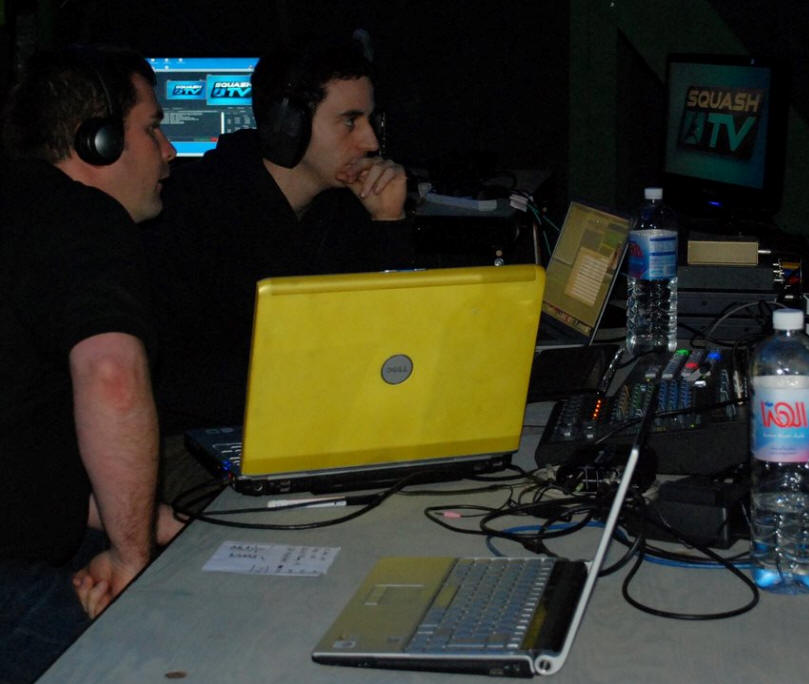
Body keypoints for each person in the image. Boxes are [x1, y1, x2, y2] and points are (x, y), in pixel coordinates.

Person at [0, 45, 180, 682]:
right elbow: (111, 375)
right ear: (96, 142)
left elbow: (22, 446)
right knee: (183, 645)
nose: (169, 152)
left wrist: (140, 518)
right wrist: (133, 559)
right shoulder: (83, 217)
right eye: (152, 129)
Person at [142, 35, 414, 438]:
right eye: (349, 121)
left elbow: (399, 345)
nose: (370, 141)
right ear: (288, 124)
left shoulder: (349, 208)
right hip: (207, 435)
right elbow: (178, 379)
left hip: (321, 423)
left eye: (370, 121)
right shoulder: (193, 212)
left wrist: (389, 222)